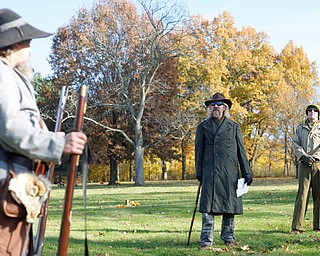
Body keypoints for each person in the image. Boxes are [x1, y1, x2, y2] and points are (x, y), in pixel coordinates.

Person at [0, 8, 87, 255]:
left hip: (13, 185)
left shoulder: (10, 75)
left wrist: (54, 138)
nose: (30, 48)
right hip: (5, 185)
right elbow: (9, 127)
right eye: (27, 41)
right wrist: (58, 145)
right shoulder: (1, 73)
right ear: (13, 44)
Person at [195, 92, 252, 249]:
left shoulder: (234, 127)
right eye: (213, 104)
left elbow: (242, 152)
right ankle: (206, 240)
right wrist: (199, 171)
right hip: (210, 173)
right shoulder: (203, 127)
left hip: (230, 174)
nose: (215, 106)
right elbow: (198, 151)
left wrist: (247, 172)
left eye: (219, 104)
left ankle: (228, 237)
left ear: (225, 107)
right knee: (207, 208)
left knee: (229, 207)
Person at [291, 104, 320, 234]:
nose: (312, 112)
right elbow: (295, 143)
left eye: (315, 110)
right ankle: (297, 226)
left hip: (318, 164)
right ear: (307, 114)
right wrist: (303, 156)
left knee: (318, 195)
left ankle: (318, 226)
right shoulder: (300, 128)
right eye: (309, 110)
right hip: (303, 164)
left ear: (318, 114)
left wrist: (314, 156)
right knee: (302, 194)